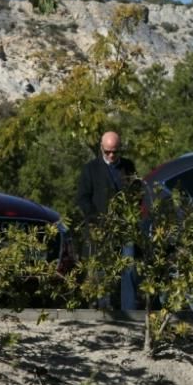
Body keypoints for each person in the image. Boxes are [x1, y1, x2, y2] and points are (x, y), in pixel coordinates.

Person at [76, 130, 139, 310]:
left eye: (115, 152)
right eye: (108, 152)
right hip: (100, 227)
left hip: (124, 226)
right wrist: (96, 219)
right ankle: (103, 307)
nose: (111, 155)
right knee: (101, 268)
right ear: (101, 149)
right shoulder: (90, 169)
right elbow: (83, 198)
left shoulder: (128, 166)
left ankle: (129, 308)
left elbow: (136, 193)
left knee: (129, 264)